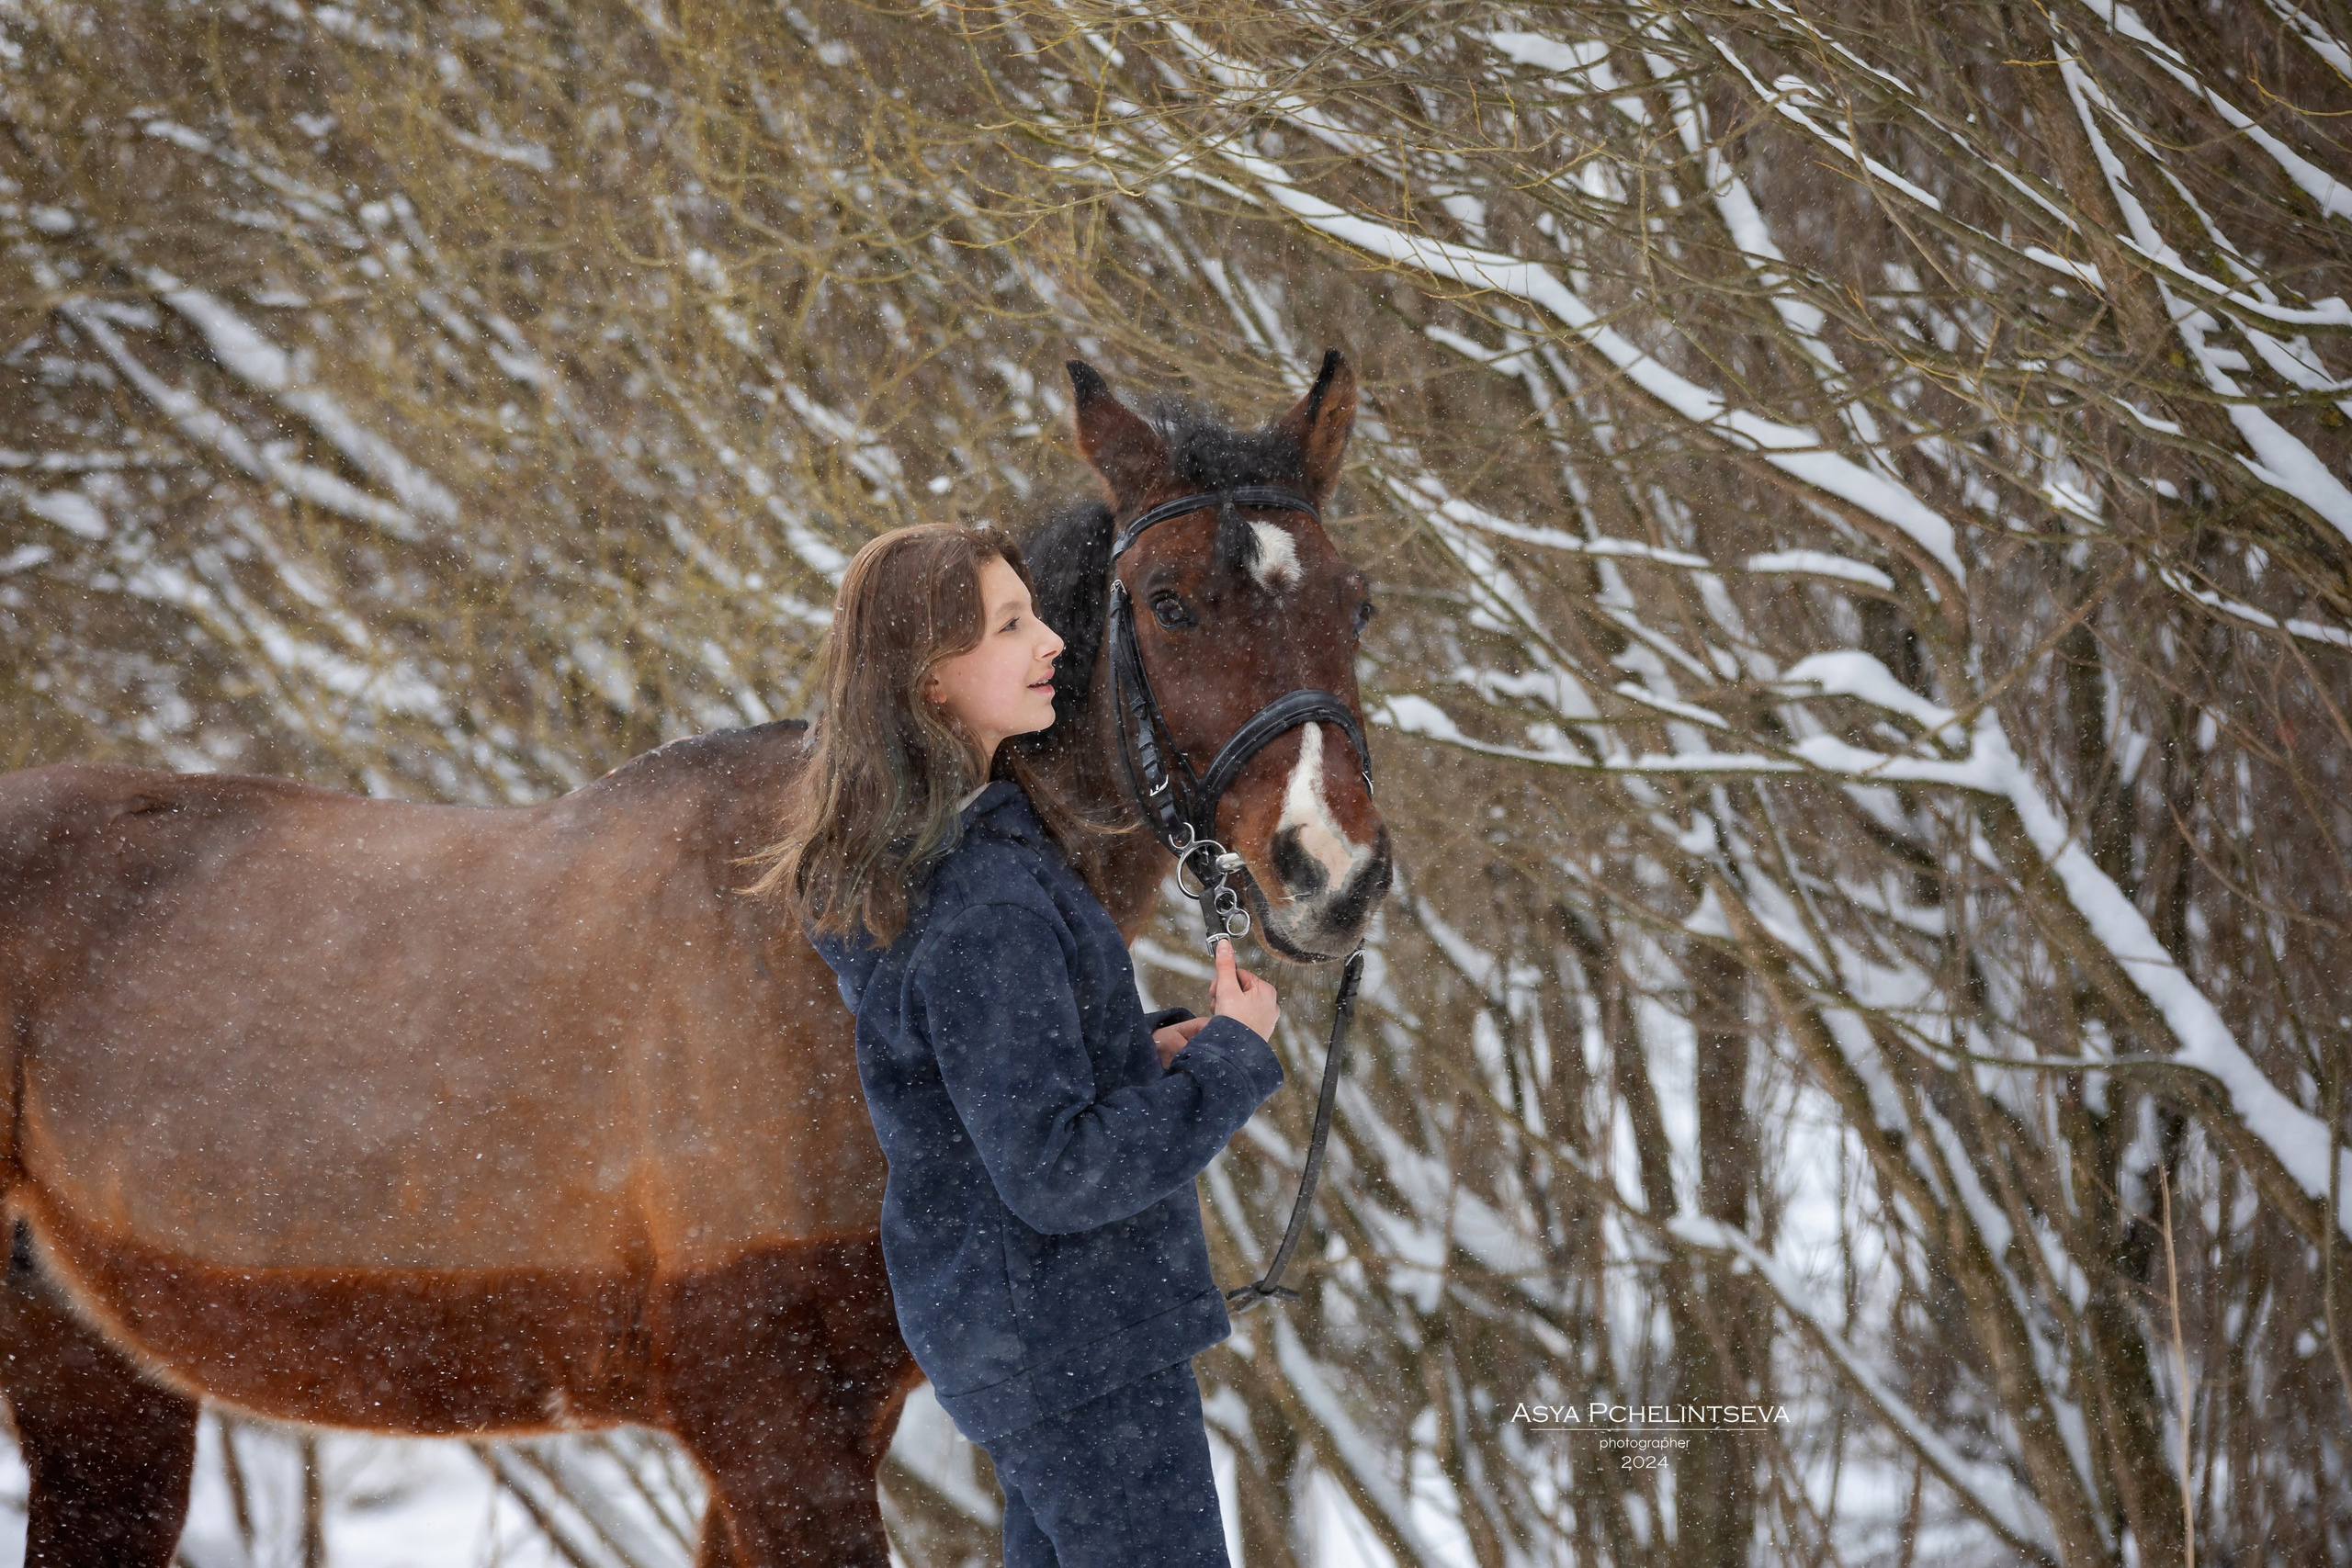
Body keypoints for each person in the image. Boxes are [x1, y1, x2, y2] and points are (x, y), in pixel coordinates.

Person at [751, 522, 1285, 1567]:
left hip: (1050, 1350)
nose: (1051, 642)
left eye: (1035, 613)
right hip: (1078, 1351)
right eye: (1010, 625)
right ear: (932, 681)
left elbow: (983, 1089)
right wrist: (1229, 1060)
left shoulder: (954, 861)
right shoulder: (981, 899)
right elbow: (1058, 1169)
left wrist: (1147, 1050)